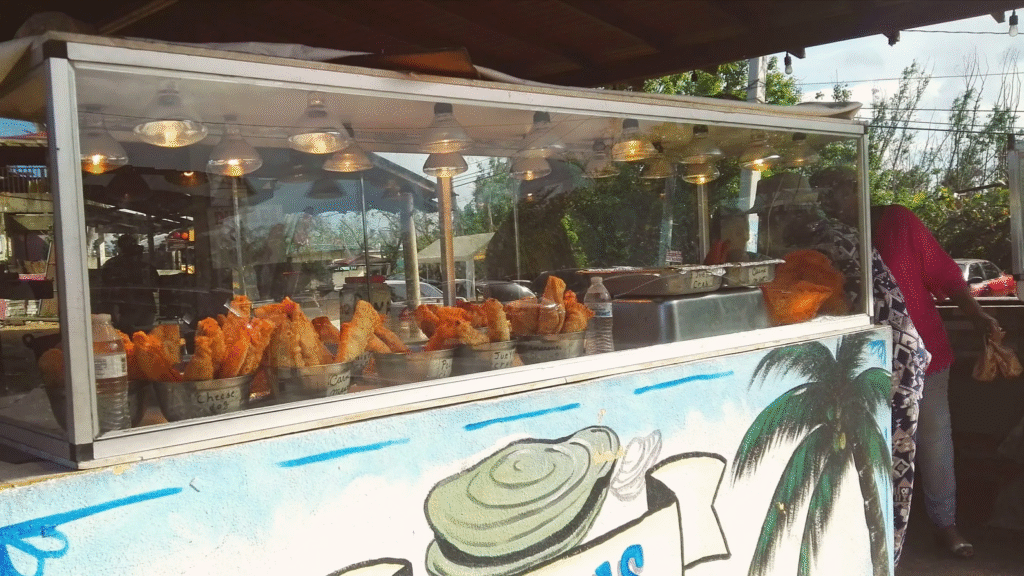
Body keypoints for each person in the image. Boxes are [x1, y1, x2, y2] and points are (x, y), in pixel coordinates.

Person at [809, 166, 931, 566]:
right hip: (887, 358)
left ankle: (886, 561)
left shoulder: (831, 238)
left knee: (890, 470)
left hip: (893, 363)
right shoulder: (834, 235)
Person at [872, 201, 1000, 559]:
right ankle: (881, 532)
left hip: (922, 352)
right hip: (867, 361)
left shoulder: (898, 221)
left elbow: (944, 274)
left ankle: (946, 524)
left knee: (934, 437)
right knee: (873, 443)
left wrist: (977, 316)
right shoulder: (829, 235)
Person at [100, 234, 160, 334]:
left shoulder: (111, 264)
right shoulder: (145, 265)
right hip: (136, 308)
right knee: (139, 336)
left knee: (130, 336)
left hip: (129, 308)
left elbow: (105, 287)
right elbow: (155, 286)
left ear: (119, 248)